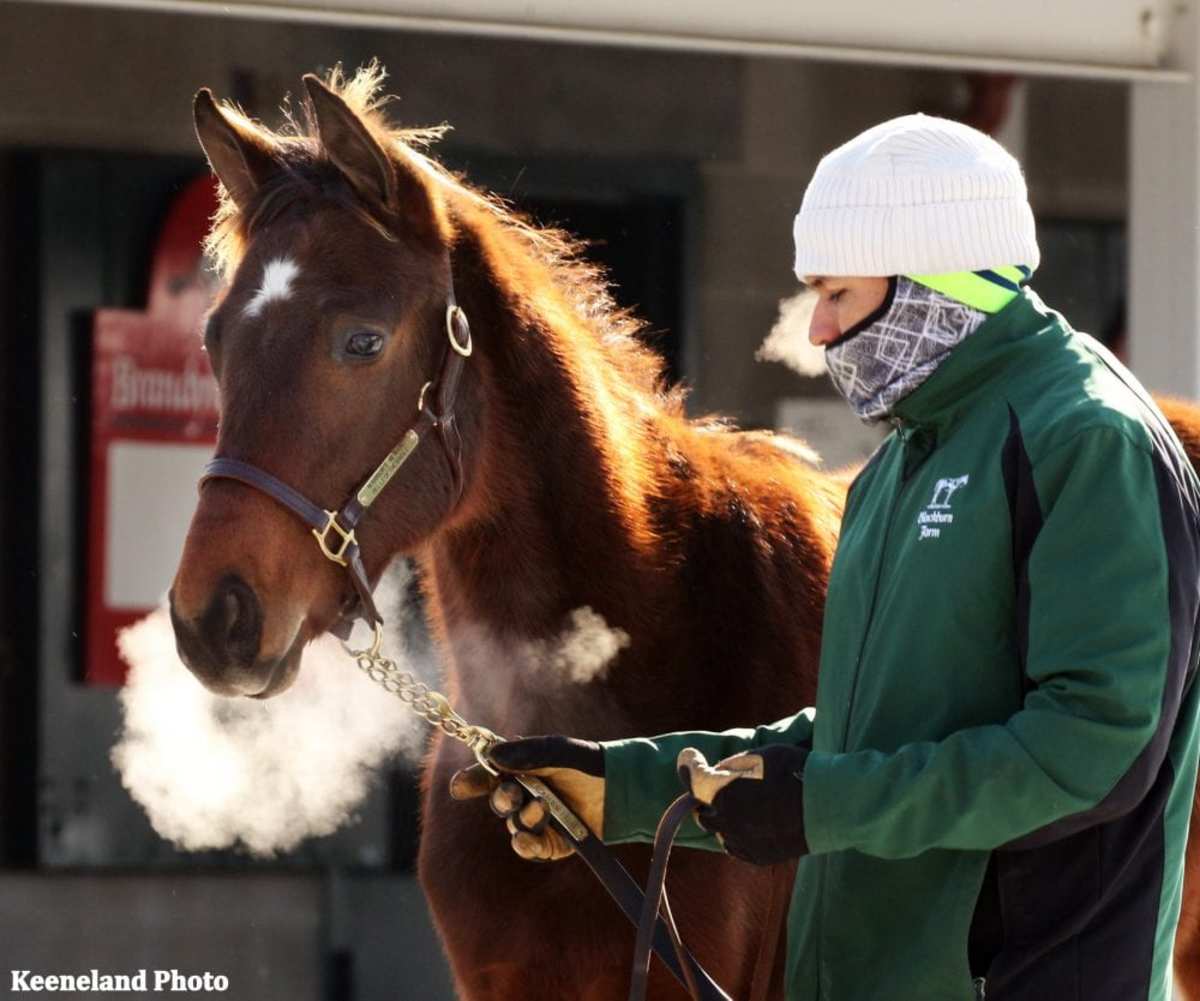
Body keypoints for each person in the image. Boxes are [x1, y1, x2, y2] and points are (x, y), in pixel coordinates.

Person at [449, 114, 1200, 1000]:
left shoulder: (1085, 440)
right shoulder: (905, 460)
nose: (819, 332)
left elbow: (1089, 754)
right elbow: (861, 735)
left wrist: (815, 806)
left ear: (935, 280)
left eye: (839, 294)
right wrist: (626, 789)